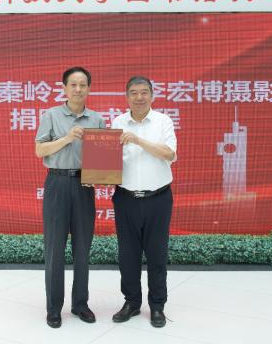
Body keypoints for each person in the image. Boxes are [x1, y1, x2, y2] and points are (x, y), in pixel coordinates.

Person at [35, 66, 106, 328]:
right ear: (64, 88)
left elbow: (104, 158)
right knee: (54, 248)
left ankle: (80, 304)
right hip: (57, 183)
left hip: (84, 186)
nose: (78, 89)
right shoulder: (51, 115)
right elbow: (40, 150)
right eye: (73, 84)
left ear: (89, 88)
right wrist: (67, 138)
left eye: (83, 85)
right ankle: (54, 308)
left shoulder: (97, 119)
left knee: (83, 249)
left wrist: (103, 173)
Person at [111, 75, 177, 328]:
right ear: (126, 97)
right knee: (127, 255)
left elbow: (169, 154)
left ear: (152, 95)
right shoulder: (117, 122)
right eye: (134, 93)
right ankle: (131, 303)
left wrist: (137, 140)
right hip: (125, 198)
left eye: (144, 92)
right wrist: (96, 174)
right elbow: (108, 159)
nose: (139, 97)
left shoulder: (163, 121)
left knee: (157, 254)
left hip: (158, 198)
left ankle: (157, 306)